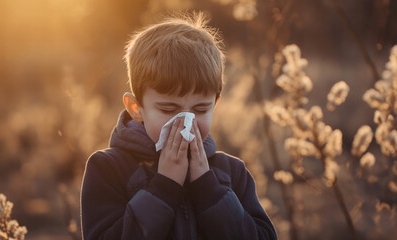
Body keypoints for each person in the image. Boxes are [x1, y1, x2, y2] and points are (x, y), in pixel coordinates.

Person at [80, 12, 277, 240]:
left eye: (201, 109)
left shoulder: (232, 172)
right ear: (136, 108)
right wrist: (164, 187)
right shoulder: (108, 169)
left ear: (215, 105)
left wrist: (208, 188)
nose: (186, 122)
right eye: (168, 110)